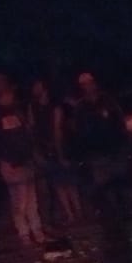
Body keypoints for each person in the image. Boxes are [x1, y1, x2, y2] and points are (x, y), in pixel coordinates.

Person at [0, 73, 44, 248]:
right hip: (10, 163)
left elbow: (27, 133)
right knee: (19, 200)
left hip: (26, 160)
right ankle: (24, 233)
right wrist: (3, 161)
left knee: (32, 199)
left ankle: (37, 229)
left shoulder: (17, 110)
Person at [27, 78, 84, 227]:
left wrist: (61, 153)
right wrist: (37, 150)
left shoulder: (55, 107)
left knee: (70, 182)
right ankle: (70, 214)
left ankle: (78, 212)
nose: (34, 89)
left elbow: (57, 131)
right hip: (45, 149)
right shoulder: (33, 107)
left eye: (37, 86)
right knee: (59, 184)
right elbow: (32, 130)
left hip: (60, 148)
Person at [71, 71, 128, 210]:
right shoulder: (81, 107)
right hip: (96, 153)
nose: (88, 87)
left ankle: (125, 210)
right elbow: (78, 131)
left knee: (121, 182)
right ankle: (112, 213)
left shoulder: (107, 100)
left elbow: (120, 122)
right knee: (103, 185)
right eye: (84, 85)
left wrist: (124, 143)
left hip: (115, 148)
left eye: (90, 83)